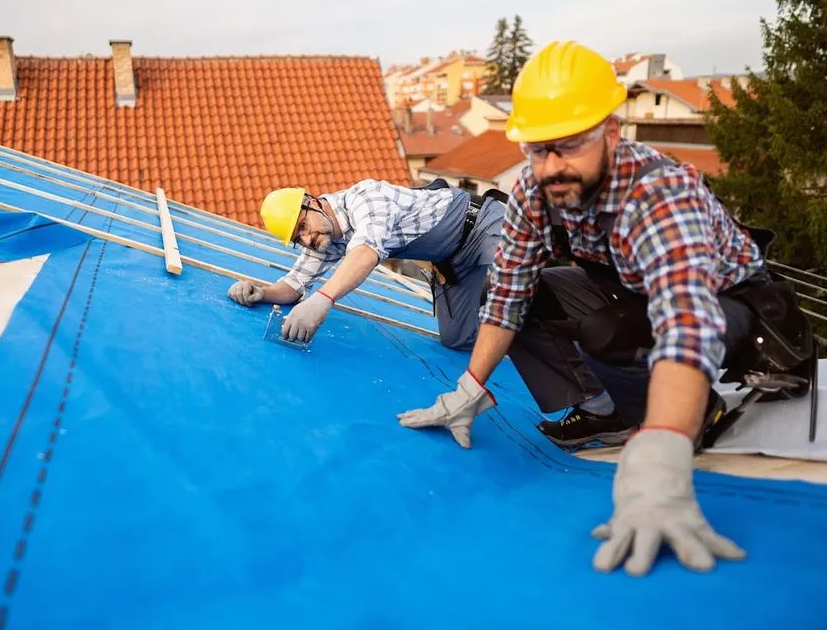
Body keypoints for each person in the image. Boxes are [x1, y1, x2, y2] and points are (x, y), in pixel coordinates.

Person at [395, 39, 811, 577]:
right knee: (499, 293)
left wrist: (664, 453)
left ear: (611, 133)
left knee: (607, 332)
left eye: (569, 145)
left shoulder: (660, 194)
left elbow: (687, 319)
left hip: (727, 305)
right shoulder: (535, 187)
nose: (552, 165)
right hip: (628, 286)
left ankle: (682, 413)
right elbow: (507, 292)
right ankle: (603, 412)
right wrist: (469, 388)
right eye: (538, 148)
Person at [227, 178, 506, 350]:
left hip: (481, 223)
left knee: (523, 284)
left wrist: (323, 299)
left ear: (312, 202)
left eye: (303, 226)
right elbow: (294, 285)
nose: (307, 238)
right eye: (297, 238)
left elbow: (365, 253)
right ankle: (495, 316)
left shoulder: (367, 197)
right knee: (456, 341)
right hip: (451, 259)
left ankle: (514, 313)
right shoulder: (322, 238)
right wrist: (262, 293)